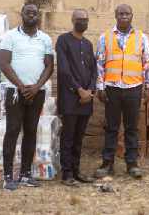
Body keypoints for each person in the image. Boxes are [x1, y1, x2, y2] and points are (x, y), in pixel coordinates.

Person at [94, 4, 149, 179]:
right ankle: (108, 163)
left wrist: (148, 87)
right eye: (121, 14)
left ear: (132, 15)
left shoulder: (142, 37)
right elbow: (99, 63)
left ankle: (132, 163)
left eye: (127, 13)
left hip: (133, 87)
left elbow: (148, 63)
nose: (124, 16)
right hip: (112, 88)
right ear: (116, 16)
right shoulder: (105, 37)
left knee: (131, 127)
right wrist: (100, 86)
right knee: (111, 126)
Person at [0, 3, 54, 190]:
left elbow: (49, 66)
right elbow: (4, 63)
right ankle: (8, 176)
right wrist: (21, 86)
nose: (31, 15)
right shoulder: (10, 36)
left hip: (37, 92)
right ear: (21, 14)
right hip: (15, 91)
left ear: (39, 16)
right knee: (13, 130)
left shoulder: (45, 39)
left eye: (35, 13)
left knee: (31, 131)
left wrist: (37, 87)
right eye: (28, 13)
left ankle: (25, 173)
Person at [55, 9, 97, 186]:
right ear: (72, 20)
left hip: (86, 97)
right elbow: (64, 70)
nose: (82, 22)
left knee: (79, 137)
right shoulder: (63, 40)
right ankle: (67, 174)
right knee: (68, 137)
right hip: (71, 97)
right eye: (79, 19)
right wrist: (79, 90)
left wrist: (89, 91)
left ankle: (76, 170)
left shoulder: (87, 44)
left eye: (85, 19)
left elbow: (94, 70)